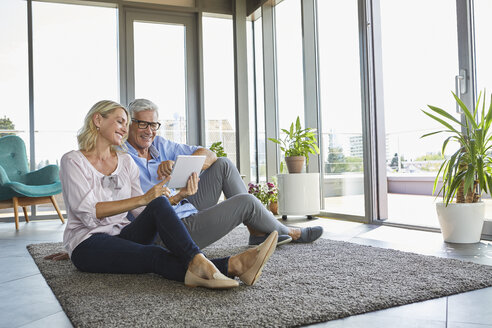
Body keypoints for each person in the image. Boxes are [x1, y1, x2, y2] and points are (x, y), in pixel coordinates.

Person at [53, 100, 278, 289]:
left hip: (123, 234)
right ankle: (231, 266)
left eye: (126, 123)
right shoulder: (73, 161)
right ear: (98, 120)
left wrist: (177, 196)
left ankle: (205, 262)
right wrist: (144, 197)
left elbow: (143, 211)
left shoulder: (125, 161)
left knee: (159, 203)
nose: (124, 128)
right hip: (89, 243)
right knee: (153, 256)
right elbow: (88, 213)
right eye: (120, 122)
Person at [126, 98, 323, 248]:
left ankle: (256, 230)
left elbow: (210, 154)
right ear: (129, 124)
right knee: (246, 202)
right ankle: (290, 232)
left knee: (223, 164)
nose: (149, 131)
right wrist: (177, 195)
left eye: (153, 125)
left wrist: (178, 166)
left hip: (185, 205)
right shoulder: (122, 157)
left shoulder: (160, 144)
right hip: (169, 227)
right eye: (142, 124)